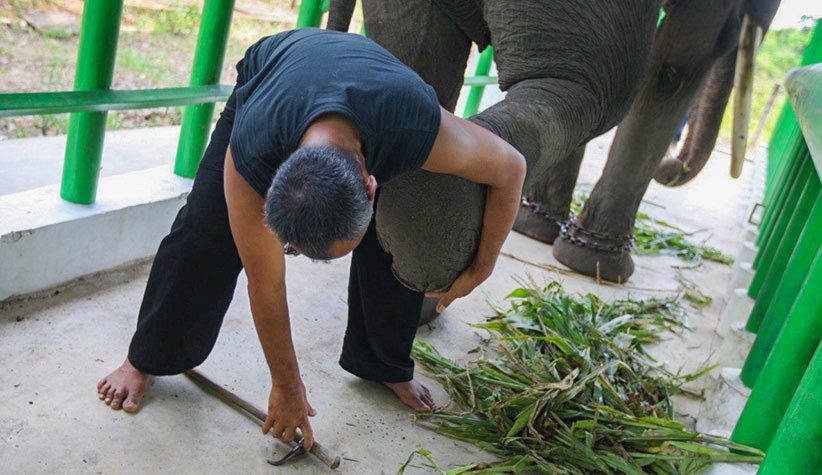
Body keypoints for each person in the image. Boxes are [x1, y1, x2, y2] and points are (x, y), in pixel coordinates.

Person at [97, 28, 525, 450]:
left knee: (393, 233)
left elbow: (512, 168)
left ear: (372, 184)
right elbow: (266, 283)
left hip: (373, 89)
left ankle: (382, 362)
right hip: (274, 71)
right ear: (273, 190)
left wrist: (481, 267)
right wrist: (288, 386)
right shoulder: (252, 154)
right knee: (206, 229)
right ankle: (145, 359)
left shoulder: (418, 127)